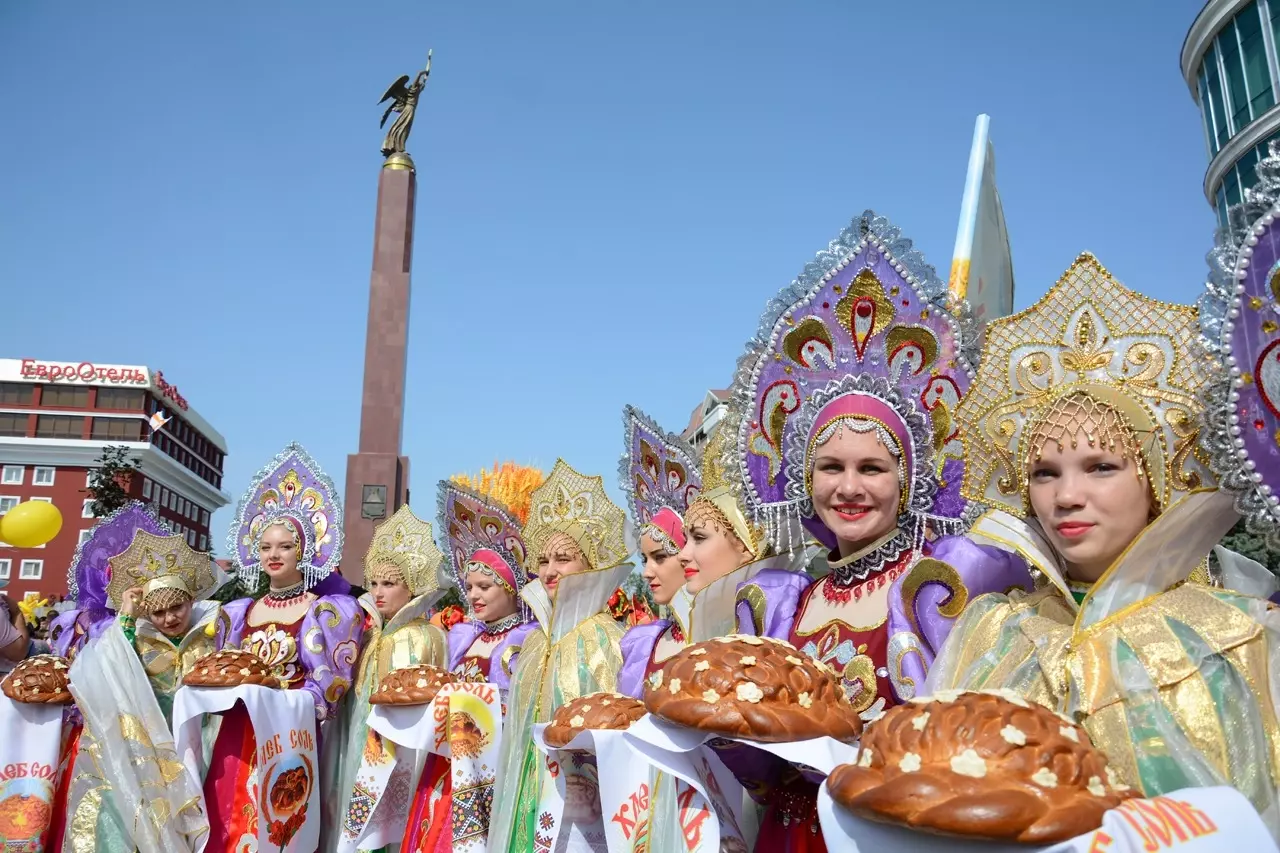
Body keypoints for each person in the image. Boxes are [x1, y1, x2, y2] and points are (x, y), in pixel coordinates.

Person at [924, 252, 1280, 833]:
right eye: (1044, 472)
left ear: (1159, 482)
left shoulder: (1240, 637)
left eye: (1101, 467)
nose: (1066, 495)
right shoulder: (991, 630)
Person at [722, 211, 985, 848]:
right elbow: (754, 764)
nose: (848, 488)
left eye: (872, 467)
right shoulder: (786, 603)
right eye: (829, 467)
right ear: (801, 477)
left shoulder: (943, 586)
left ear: (911, 477)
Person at [206, 442, 363, 852]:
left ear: (306, 551)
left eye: (285, 546)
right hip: (239, 733)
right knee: (229, 820)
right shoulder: (238, 612)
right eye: (265, 547)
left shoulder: (327, 613)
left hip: (290, 739)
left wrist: (276, 702)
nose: (274, 555)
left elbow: (328, 689)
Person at [488, 459, 632, 853]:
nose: (549, 571)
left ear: (590, 562)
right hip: (528, 802)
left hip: (584, 815)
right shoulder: (534, 642)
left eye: (563, 559)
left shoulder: (607, 639)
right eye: (543, 560)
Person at [61, 528, 221, 852]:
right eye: (158, 612)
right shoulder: (138, 639)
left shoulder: (213, 631)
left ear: (191, 600)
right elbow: (110, 666)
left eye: (177, 606)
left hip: (203, 743)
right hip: (154, 745)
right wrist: (127, 619)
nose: (169, 618)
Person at [328, 504, 450, 853]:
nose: (379, 592)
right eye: (375, 583)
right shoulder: (368, 633)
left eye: (390, 583)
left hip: (403, 750)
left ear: (412, 587)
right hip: (358, 741)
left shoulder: (426, 636)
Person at [616, 405, 702, 697]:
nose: (647, 571)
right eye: (644, 559)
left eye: (660, 557)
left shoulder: (726, 635)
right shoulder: (645, 645)